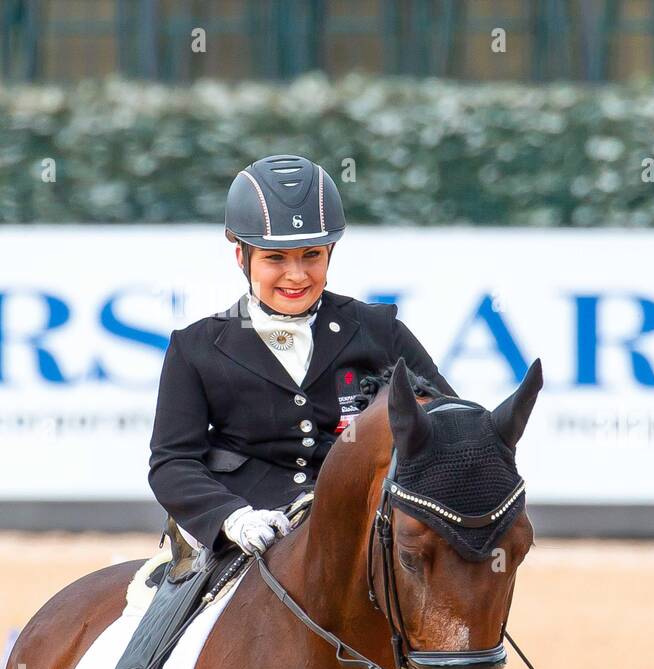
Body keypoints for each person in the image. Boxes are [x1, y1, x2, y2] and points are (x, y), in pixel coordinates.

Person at [149, 154, 454, 561]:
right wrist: (231, 518)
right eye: (275, 258)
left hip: (363, 535)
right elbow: (172, 463)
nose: (297, 276)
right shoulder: (195, 348)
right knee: (150, 620)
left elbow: (447, 423)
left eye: (311, 255)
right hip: (243, 538)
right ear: (242, 257)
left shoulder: (379, 329)